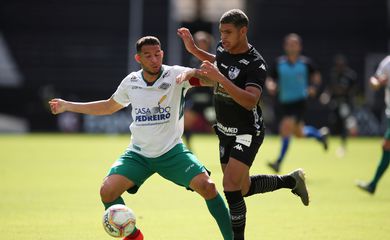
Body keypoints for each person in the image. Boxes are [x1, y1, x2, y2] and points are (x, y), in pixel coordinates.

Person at [48, 36, 233, 240]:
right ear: (138, 58)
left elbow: (214, 80)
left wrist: (193, 72)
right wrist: (67, 105)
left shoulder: (176, 75)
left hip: (171, 152)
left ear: (162, 54)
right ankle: (134, 237)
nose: (154, 59)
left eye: (157, 54)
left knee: (209, 187)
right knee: (107, 192)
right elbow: (109, 106)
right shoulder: (131, 82)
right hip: (138, 154)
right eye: (148, 56)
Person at [177, 9, 309, 240]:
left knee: (230, 185)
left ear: (243, 31)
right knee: (243, 188)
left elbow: (250, 101)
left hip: (248, 130)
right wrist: (194, 51)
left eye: (228, 32)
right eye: (221, 32)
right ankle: (291, 180)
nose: (223, 38)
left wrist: (220, 79)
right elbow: (220, 62)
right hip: (225, 130)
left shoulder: (256, 64)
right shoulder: (222, 49)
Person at [266, 33, 329, 173]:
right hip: (284, 102)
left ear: (299, 47)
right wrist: (270, 85)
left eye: (294, 44)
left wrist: (314, 88)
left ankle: (278, 162)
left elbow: (317, 77)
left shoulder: (306, 63)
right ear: (285, 46)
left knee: (286, 127)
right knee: (299, 133)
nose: (292, 46)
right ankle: (320, 135)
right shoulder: (279, 63)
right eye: (289, 44)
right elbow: (270, 78)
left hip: (299, 102)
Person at [356, 55, 390, 195]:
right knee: (387, 146)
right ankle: (373, 184)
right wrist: (376, 82)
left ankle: (373, 184)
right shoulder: (387, 62)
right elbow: (375, 79)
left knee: (387, 146)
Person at [183, 31, 215, 150]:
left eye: (204, 42)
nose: (201, 44)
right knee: (185, 123)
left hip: (210, 100)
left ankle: (227, 150)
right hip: (196, 100)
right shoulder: (192, 61)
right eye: (199, 42)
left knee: (219, 127)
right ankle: (188, 148)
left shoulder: (212, 59)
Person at [324, 54, 358, 157]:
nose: (339, 66)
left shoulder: (350, 75)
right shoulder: (333, 74)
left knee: (345, 124)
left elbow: (349, 89)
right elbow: (329, 88)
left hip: (345, 103)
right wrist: (326, 95)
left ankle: (343, 146)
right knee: (333, 123)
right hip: (335, 103)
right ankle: (324, 139)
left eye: (341, 65)